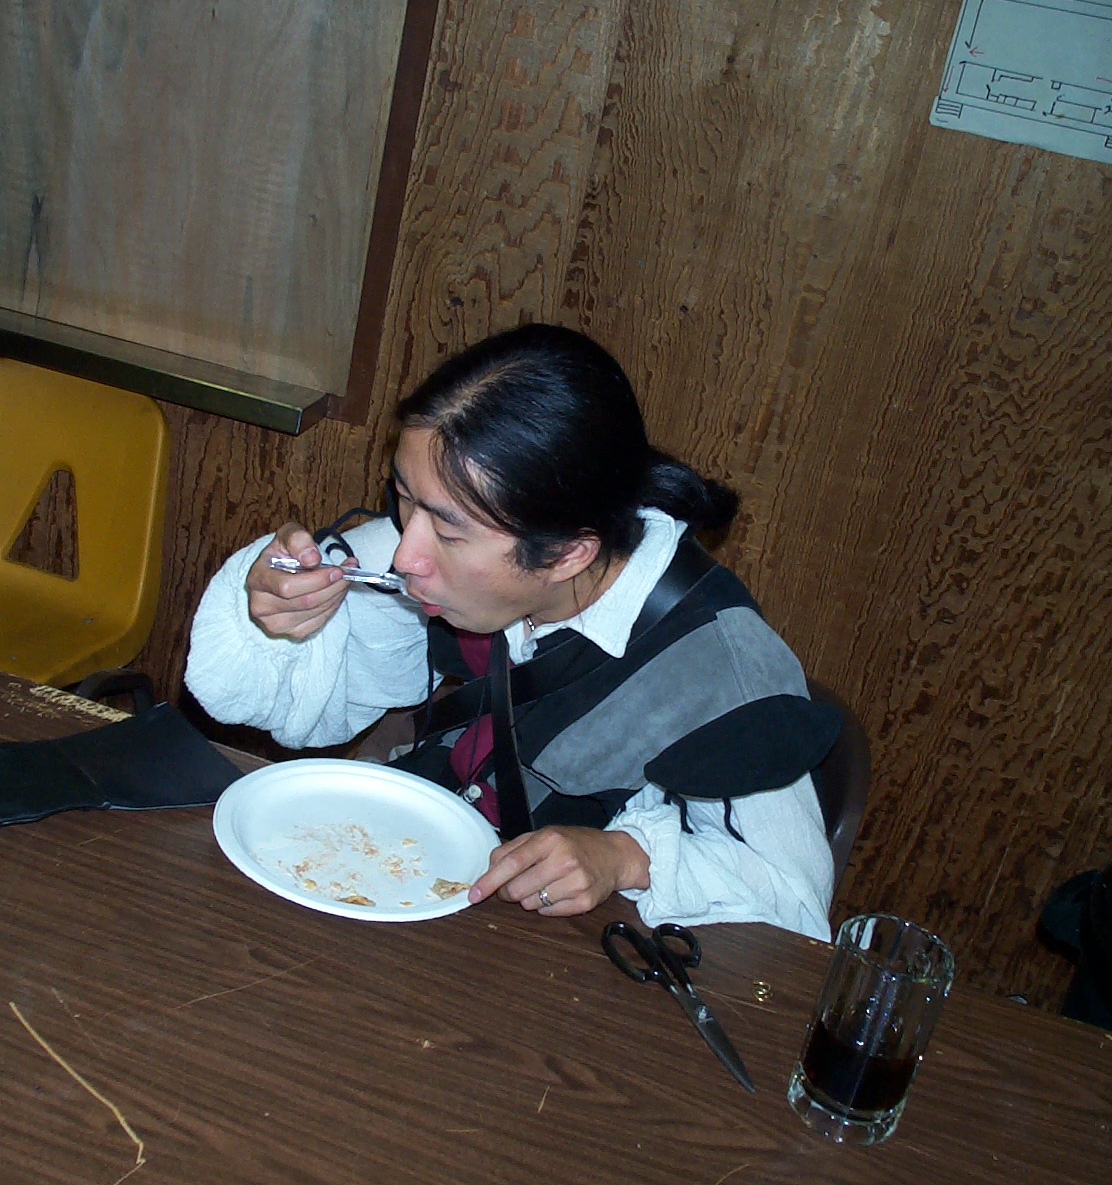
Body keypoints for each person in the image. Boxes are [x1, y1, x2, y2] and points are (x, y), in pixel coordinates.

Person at [186, 324, 838, 935]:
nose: (406, 554)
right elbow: (290, 706)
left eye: (446, 531)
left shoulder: (724, 673)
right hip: (415, 876)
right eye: (404, 497)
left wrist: (626, 857)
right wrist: (280, 606)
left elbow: (794, 913)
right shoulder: (480, 533)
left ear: (568, 554)